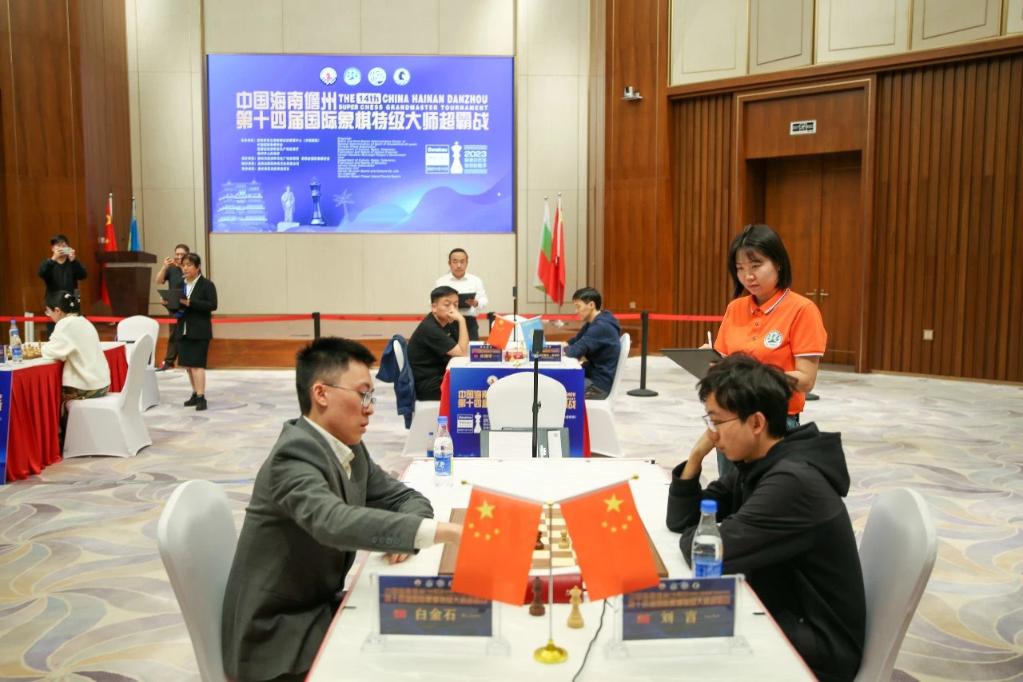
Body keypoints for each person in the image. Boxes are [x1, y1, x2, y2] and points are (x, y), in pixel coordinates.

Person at [221, 337, 463, 682]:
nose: (370, 408)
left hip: (317, 607)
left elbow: (403, 498)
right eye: (363, 395)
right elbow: (332, 522)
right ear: (321, 393)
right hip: (278, 635)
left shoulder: (347, 447)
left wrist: (405, 532)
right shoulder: (292, 457)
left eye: (372, 397)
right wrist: (445, 532)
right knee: (408, 655)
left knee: (423, 629)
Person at [665, 354, 865, 681]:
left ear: (756, 423)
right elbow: (682, 521)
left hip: (814, 647)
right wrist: (695, 457)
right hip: (778, 604)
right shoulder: (758, 459)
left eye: (717, 421)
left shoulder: (792, 483)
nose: (712, 434)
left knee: (678, 640)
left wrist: (706, 532)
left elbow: (708, 552)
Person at [695, 223, 827, 479]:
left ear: (778, 263)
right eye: (740, 268)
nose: (748, 276)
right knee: (731, 492)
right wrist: (711, 362)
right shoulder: (735, 308)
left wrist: (750, 374)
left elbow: (806, 380)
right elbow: (724, 364)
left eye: (756, 266)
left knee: (768, 493)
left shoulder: (802, 310)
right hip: (731, 417)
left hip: (775, 424)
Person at [40, 290, 110, 440]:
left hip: (87, 387)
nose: (48, 316)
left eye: (48, 312)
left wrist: (42, 348)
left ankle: (63, 440)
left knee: (48, 398)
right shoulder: (83, 320)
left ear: (57, 311)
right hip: (101, 383)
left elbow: (52, 352)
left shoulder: (65, 324)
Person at [407, 286, 468, 400]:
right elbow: (462, 352)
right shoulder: (430, 328)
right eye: (447, 304)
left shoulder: (446, 322)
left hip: (439, 375)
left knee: (470, 380)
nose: (453, 309)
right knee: (469, 387)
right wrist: (462, 320)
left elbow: (462, 347)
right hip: (428, 385)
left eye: (456, 305)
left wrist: (458, 322)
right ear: (434, 307)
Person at [564, 287, 621, 399]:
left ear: (591, 305)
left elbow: (573, 353)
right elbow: (576, 341)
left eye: (578, 306)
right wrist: (561, 345)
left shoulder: (601, 327)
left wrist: (556, 351)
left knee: (557, 386)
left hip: (598, 386)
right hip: (593, 376)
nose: (576, 311)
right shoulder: (595, 322)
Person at [176, 253, 217, 411]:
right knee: (188, 366)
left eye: (189, 265)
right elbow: (178, 307)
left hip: (199, 330)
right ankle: (194, 393)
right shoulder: (181, 284)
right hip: (183, 329)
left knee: (197, 365)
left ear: (198, 267)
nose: (185, 268)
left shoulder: (207, 285)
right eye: (183, 265)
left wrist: (191, 303)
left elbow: (212, 305)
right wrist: (169, 303)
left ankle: (201, 397)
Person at [434, 248, 488, 341]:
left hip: (469, 323)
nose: (459, 265)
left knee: (471, 349)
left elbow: (484, 300)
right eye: (455, 262)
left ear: (467, 263)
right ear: (449, 263)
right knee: (448, 349)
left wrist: (476, 303)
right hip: (447, 322)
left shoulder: (475, 280)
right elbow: (432, 302)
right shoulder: (441, 282)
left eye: (462, 262)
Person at [38, 234, 87, 335]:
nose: (61, 248)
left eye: (64, 245)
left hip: (72, 302)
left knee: (72, 333)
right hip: (53, 304)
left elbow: (83, 275)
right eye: (58, 245)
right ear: (52, 249)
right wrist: (53, 259)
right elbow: (42, 273)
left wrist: (74, 261)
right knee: (54, 333)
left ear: (68, 248)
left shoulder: (73, 263)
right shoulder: (48, 264)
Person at [153, 243, 190, 370]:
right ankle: (169, 362)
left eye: (182, 254)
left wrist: (182, 267)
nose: (179, 257)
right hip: (174, 305)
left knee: (189, 334)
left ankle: (189, 361)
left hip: (189, 305)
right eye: (177, 254)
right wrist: (164, 267)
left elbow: (191, 280)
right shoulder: (171, 268)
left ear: (187, 255)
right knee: (173, 334)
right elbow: (158, 281)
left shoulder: (192, 267)